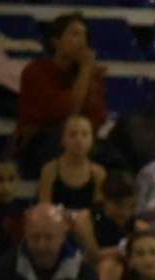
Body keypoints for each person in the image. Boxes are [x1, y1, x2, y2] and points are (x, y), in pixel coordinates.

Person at [16, 13, 107, 173]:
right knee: (66, 153)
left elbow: (98, 116)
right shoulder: (35, 71)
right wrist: (85, 71)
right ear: (56, 40)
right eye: (75, 34)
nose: (82, 42)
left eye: (85, 36)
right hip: (42, 139)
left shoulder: (94, 75)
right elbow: (64, 112)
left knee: (113, 156)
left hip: (81, 139)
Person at [76, 170, 141, 280]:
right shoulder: (86, 219)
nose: (126, 212)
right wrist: (124, 249)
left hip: (129, 271)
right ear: (105, 200)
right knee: (110, 266)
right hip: (94, 271)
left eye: (132, 206)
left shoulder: (139, 226)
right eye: (119, 206)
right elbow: (93, 255)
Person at [37, 116, 104, 213]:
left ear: (92, 139)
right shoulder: (50, 170)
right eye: (73, 135)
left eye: (84, 134)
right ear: (63, 139)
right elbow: (44, 207)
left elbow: (98, 211)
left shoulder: (98, 173)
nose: (79, 140)